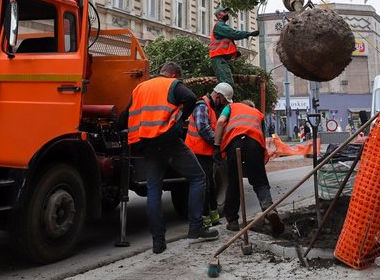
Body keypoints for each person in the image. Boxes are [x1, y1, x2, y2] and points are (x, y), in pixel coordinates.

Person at [116, 61, 218, 254]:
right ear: (173, 75)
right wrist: (178, 123)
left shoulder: (140, 87)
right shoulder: (172, 85)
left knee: (154, 189)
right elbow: (190, 98)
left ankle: (158, 242)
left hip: (147, 145)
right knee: (198, 177)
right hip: (168, 142)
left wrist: (116, 126)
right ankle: (195, 229)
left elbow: (125, 115)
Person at [214, 99, 285, 237]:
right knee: (260, 182)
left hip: (234, 143)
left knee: (233, 182)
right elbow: (262, 137)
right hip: (254, 144)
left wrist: (217, 147)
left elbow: (220, 122)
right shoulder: (258, 114)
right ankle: (268, 208)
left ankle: (233, 221)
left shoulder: (231, 107)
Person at [185, 81, 233, 228]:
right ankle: (203, 220)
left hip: (205, 153)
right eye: (224, 101)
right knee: (204, 187)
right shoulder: (202, 106)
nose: (223, 104)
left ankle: (213, 217)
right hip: (196, 153)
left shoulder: (211, 107)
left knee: (211, 185)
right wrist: (221, 142)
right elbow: (204, 130)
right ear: (218, 96)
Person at [208, 7, 258, 85]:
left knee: (226, 83)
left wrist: (233, 54)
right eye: (224, 12)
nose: (226, 13)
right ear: (218, 15)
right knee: (226, 83)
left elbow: (226, 43)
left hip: (220, 58)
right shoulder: (220, 26)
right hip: (218, 58)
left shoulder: (221, 26)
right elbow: (233, 34)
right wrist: (249, 34)